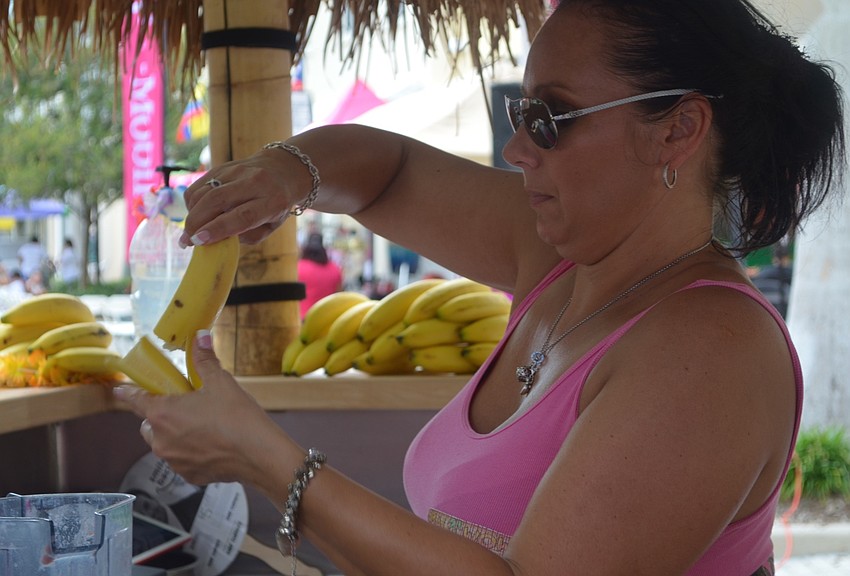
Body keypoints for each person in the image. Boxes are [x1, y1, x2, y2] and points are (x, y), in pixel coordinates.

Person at [114, 1, 845, 574]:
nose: (516, 148)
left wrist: (263, 460)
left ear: (677, 130)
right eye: (517, 112)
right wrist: (285, 173)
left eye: (548, 118)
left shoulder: (711, 350)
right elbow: (389, 171)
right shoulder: (561, 259)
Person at [297, 232, 344, 319]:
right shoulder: (335, 269)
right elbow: (339, 295)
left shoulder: (298, 267)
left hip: (302, 318)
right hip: (326, 319)